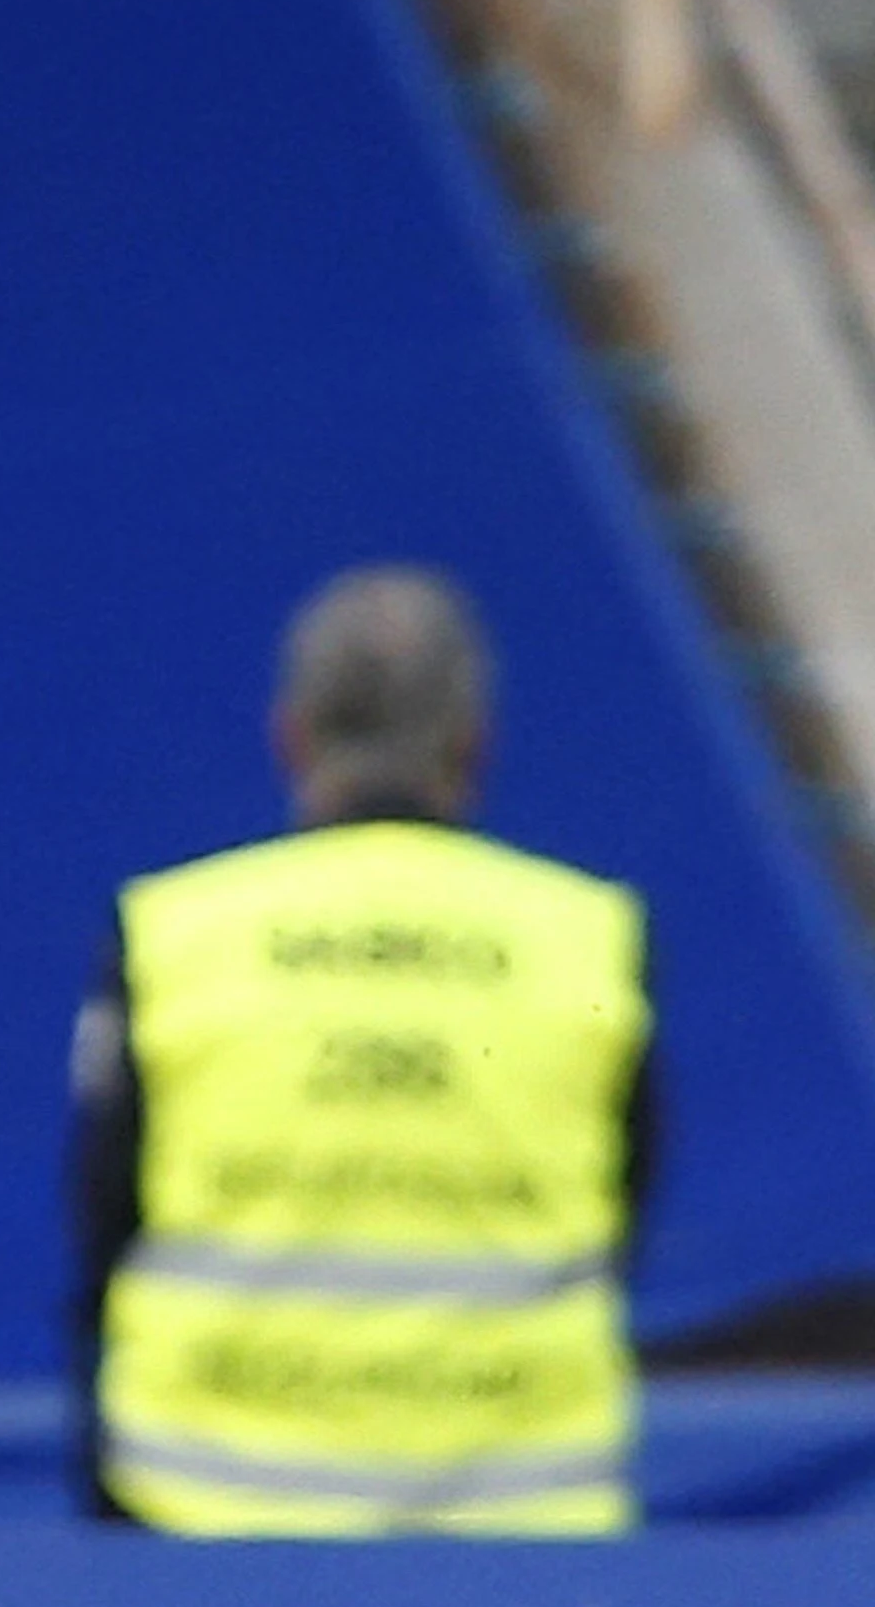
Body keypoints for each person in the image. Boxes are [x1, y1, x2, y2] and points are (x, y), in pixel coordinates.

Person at [73, 564, 654, 1534]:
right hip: (520, 1530)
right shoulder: (589, 937)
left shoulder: (173, 935)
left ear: (290, 736)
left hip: (206, 1519)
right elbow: (623, 1205)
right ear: (474, 744)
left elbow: (101, 1228)